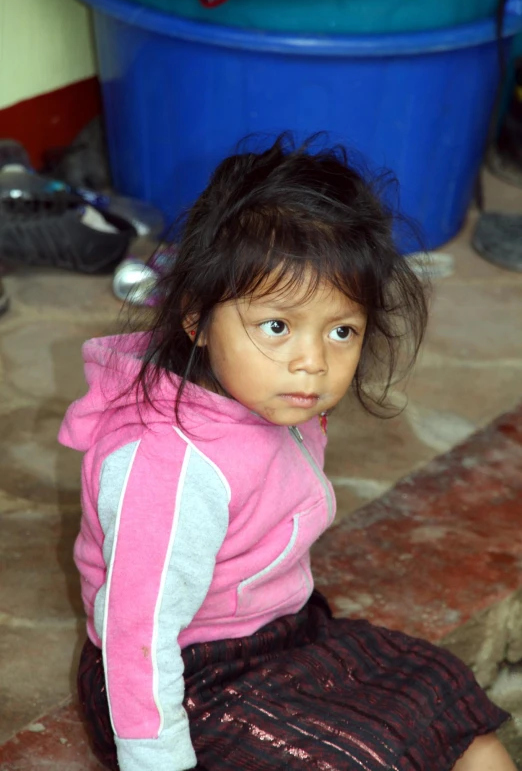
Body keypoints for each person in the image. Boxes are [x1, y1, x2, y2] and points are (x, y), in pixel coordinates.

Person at [59, 136, 514, 771]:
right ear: (196, 318)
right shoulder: (170, 466)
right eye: (278, 325)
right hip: (183, 683)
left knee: (448, 693)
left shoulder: (275, 396)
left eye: (341, 330)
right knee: (359, 759)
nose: (313, 361)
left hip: (286, 632)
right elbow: (135, 637)